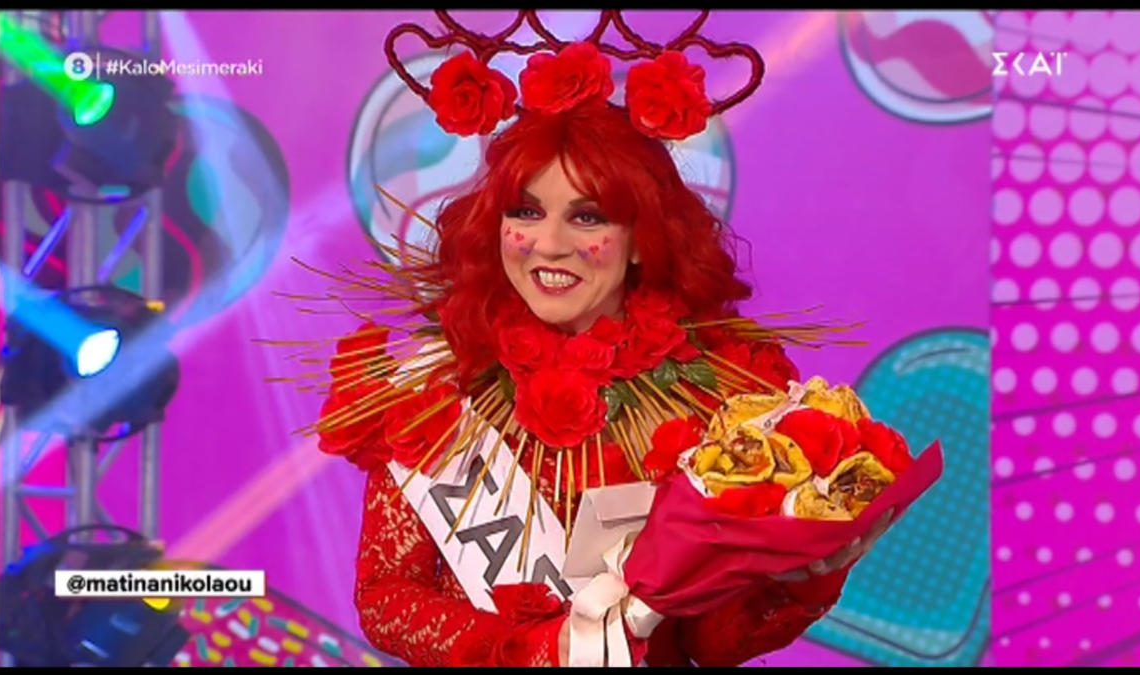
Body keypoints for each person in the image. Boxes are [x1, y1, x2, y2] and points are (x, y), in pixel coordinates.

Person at [311, 12, 895, 668]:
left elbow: (709, 641)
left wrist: (803, 578)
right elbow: (386, 596)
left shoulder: (722, 396)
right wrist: (537, 651)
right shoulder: (442, 385)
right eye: (525, 211)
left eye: (587, 216)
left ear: (643, 238)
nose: (549, 244)